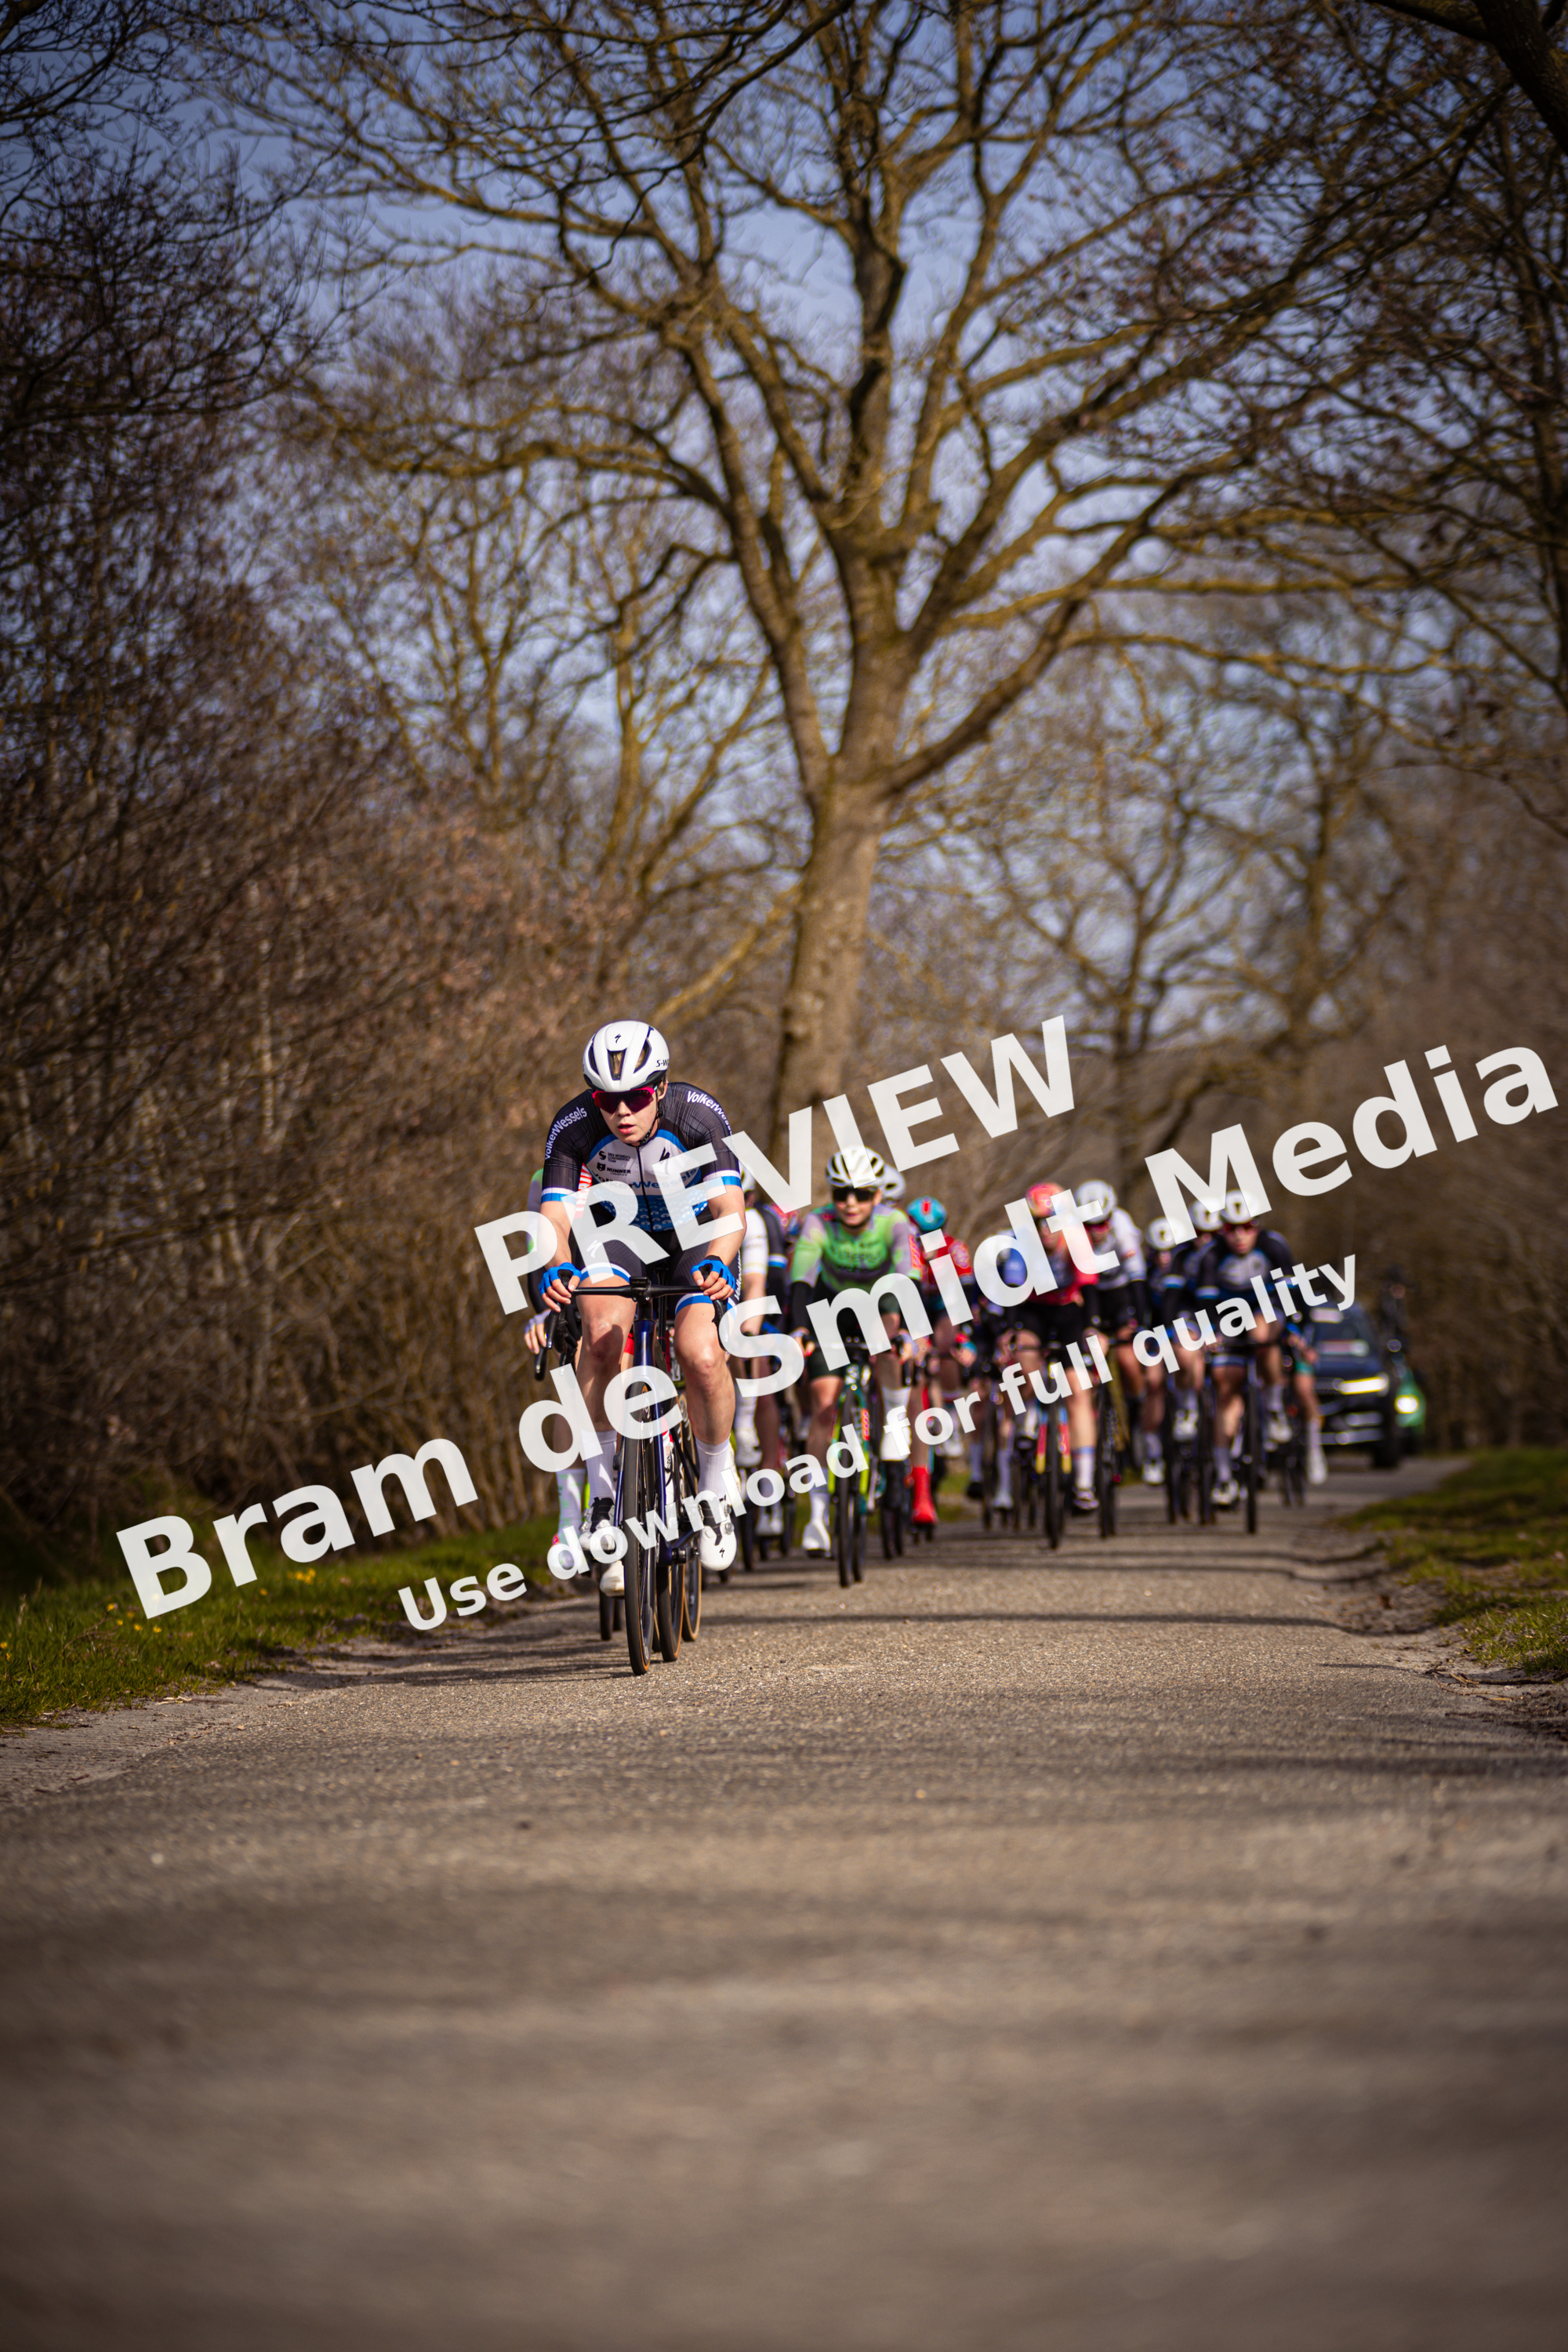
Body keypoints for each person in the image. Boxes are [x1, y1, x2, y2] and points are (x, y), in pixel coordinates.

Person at [537, 1021, 743, 1582]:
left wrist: (721, 1263)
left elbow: (730, 1212)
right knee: (601, 1335)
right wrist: (556, 1264)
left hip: (696, 1242)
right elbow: (554, 1215)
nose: (622, 1111)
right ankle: (602, 1497)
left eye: (636, 1096)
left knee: (701, 1354)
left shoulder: (697, 1115)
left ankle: (715, 1485)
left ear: (661, 1086)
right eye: (607, 1097)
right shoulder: (574, 1124)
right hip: (618, 1241)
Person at [787, 1146, 916, 1555]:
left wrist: (902, 1335)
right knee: (824, 1404)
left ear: (877, 1195)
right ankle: (818, 1518)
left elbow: (904, 1278)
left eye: (861, 1194)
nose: (850, 1203)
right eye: (842, 1193)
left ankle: (895, 1427)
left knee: (891, 1349)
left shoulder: (895, 1223)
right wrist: (799, 1329)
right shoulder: (818, 1222)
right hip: (830, 1309)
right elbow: (802, 1280)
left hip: (881, 1304)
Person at [1185, 1193, 1327, 1504]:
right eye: (1232, 1229)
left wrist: (1296, 1331)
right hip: (1228, 1321)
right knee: (1226, 1392)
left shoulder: (1274, 1245)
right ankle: (1224, 1477)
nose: (1239, 1235)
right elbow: (1205, 1302)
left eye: (1247, 1227)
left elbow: (1293, 1294)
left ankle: (1275, 1407)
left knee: (1262, 1331)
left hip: (1269, 1313)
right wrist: (1209, 1333)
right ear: (1223, 1229)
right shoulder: (1211, 1254)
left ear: (1258, 1226)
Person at [1073, 1181, 1154, 1481]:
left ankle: (1135, 1414)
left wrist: (1140, 1322)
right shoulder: (1072, 1235)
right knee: (1087, 1363)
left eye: (1102, 1223)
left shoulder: (1123, 1227)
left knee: (1128, 1360)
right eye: (1089, 1225)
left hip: (1121, 1294)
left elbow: (1137, 1279)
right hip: (1090, 1293)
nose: (1097, 1230)